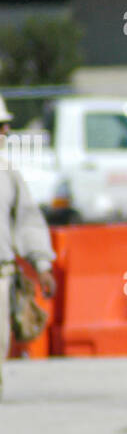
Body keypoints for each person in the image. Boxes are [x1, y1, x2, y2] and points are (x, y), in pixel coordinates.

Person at [0, 93, 56, 406]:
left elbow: (27, 221)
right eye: (0, 125)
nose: (5, 132)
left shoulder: (7, 173)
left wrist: (43, 264)